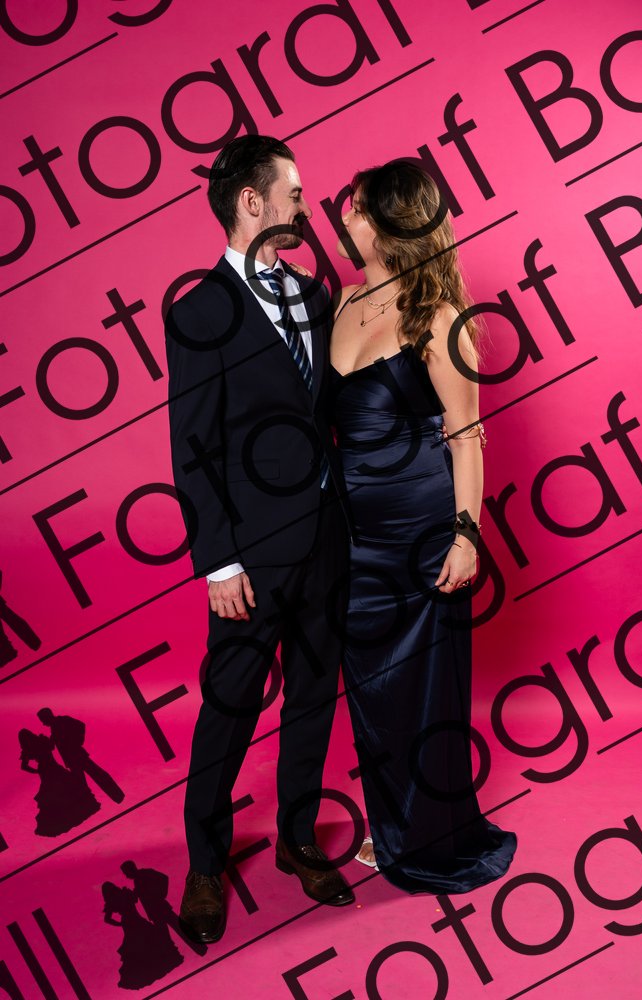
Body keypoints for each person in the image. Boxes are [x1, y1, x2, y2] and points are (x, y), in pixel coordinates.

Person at [165, 135, 355, 944]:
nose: (305, 206)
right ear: (254, 202)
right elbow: (192, 447)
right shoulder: (199, 311)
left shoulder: (314, 295)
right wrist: (218, 562)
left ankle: (296, 838)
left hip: (326, 539)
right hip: (248, 555)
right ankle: (204, 863)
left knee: (314, 695)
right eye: (295, 193)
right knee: (230, 705)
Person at [329, 160, 517, 893]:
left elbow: (465, 436)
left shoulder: (436, 317)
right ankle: (391, 819)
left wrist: (467, 535)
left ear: (388, 222)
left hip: (420, 533)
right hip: (350, 538)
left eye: (355, 207)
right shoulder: (341, 300)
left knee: (424, 689)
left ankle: (423, 834)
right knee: (371, 689)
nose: (344, 216)